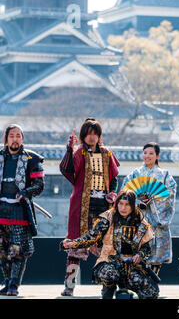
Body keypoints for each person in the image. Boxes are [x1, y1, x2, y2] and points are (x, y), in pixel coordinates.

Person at [59, 118, 120, 296]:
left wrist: (114, 193)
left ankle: (108, 284)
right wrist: (69, 150)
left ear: (99, 136)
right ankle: (69, 286)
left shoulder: (107, 153)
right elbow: (67, 170)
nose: (92, 137)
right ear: (83, 136)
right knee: (75, 244)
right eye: (88, 134)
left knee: (106, 246)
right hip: (81, 206)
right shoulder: (78, 153)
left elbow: (114, 177)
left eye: (95, 134)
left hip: (103, 206)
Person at [61, 189, 159, 299]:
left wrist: (140, 255)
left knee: (151, 292)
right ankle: (108, 290)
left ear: (133, 205)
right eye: (120, 204)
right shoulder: (107, 218)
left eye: (127, 204)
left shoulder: (140, 220)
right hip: (109, 262)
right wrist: (73, 243)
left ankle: (124, 291)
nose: (123, 208)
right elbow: (90, 238)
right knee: (110, 275)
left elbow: (147, 246)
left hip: (131, 266)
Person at [0, 124, 45, 296]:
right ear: (6, 138)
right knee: (2, 251)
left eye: (18, 135)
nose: (15, 139)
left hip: (19, 209)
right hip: (0, 209)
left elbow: (39, 184)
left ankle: (14, 284)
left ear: (22, 138)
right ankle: (6, 282)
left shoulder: (32, 160)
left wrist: (26, 192)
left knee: (16, 250)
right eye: (12, 135)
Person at [121, 142, 177, 276]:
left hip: (157, 220)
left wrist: (154, 199)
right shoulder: (135, 174)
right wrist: (139, 200)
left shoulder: (164, 175)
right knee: (138, 250)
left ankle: (153, 280)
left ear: (157, 156)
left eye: (151, 153)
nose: (147, 156)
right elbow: (125, 191)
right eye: (145, 153)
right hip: (139, 219)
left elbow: (170, 193)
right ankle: (139, 281)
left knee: (157, 254)